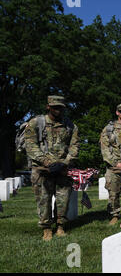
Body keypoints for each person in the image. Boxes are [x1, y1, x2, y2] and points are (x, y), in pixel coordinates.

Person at [24, 96, 80, 241]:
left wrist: (65, 162)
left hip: (62, 169)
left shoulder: (70, 125)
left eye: (60, 107)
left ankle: (60, 226)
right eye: (55, 107)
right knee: (44, 200)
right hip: (42, 169)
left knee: (63, 199)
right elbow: (30, 146)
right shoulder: (36, 123)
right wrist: (48, 162)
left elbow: (75, 146)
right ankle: (47, 228)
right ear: (48, 106)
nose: (58, 109)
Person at [100, 103, 121, 225]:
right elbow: (105, 148)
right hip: (114, 167)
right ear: (117, 113)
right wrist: (115, 163)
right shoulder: (109, 129)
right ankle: (114, 214)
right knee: (113, 193)